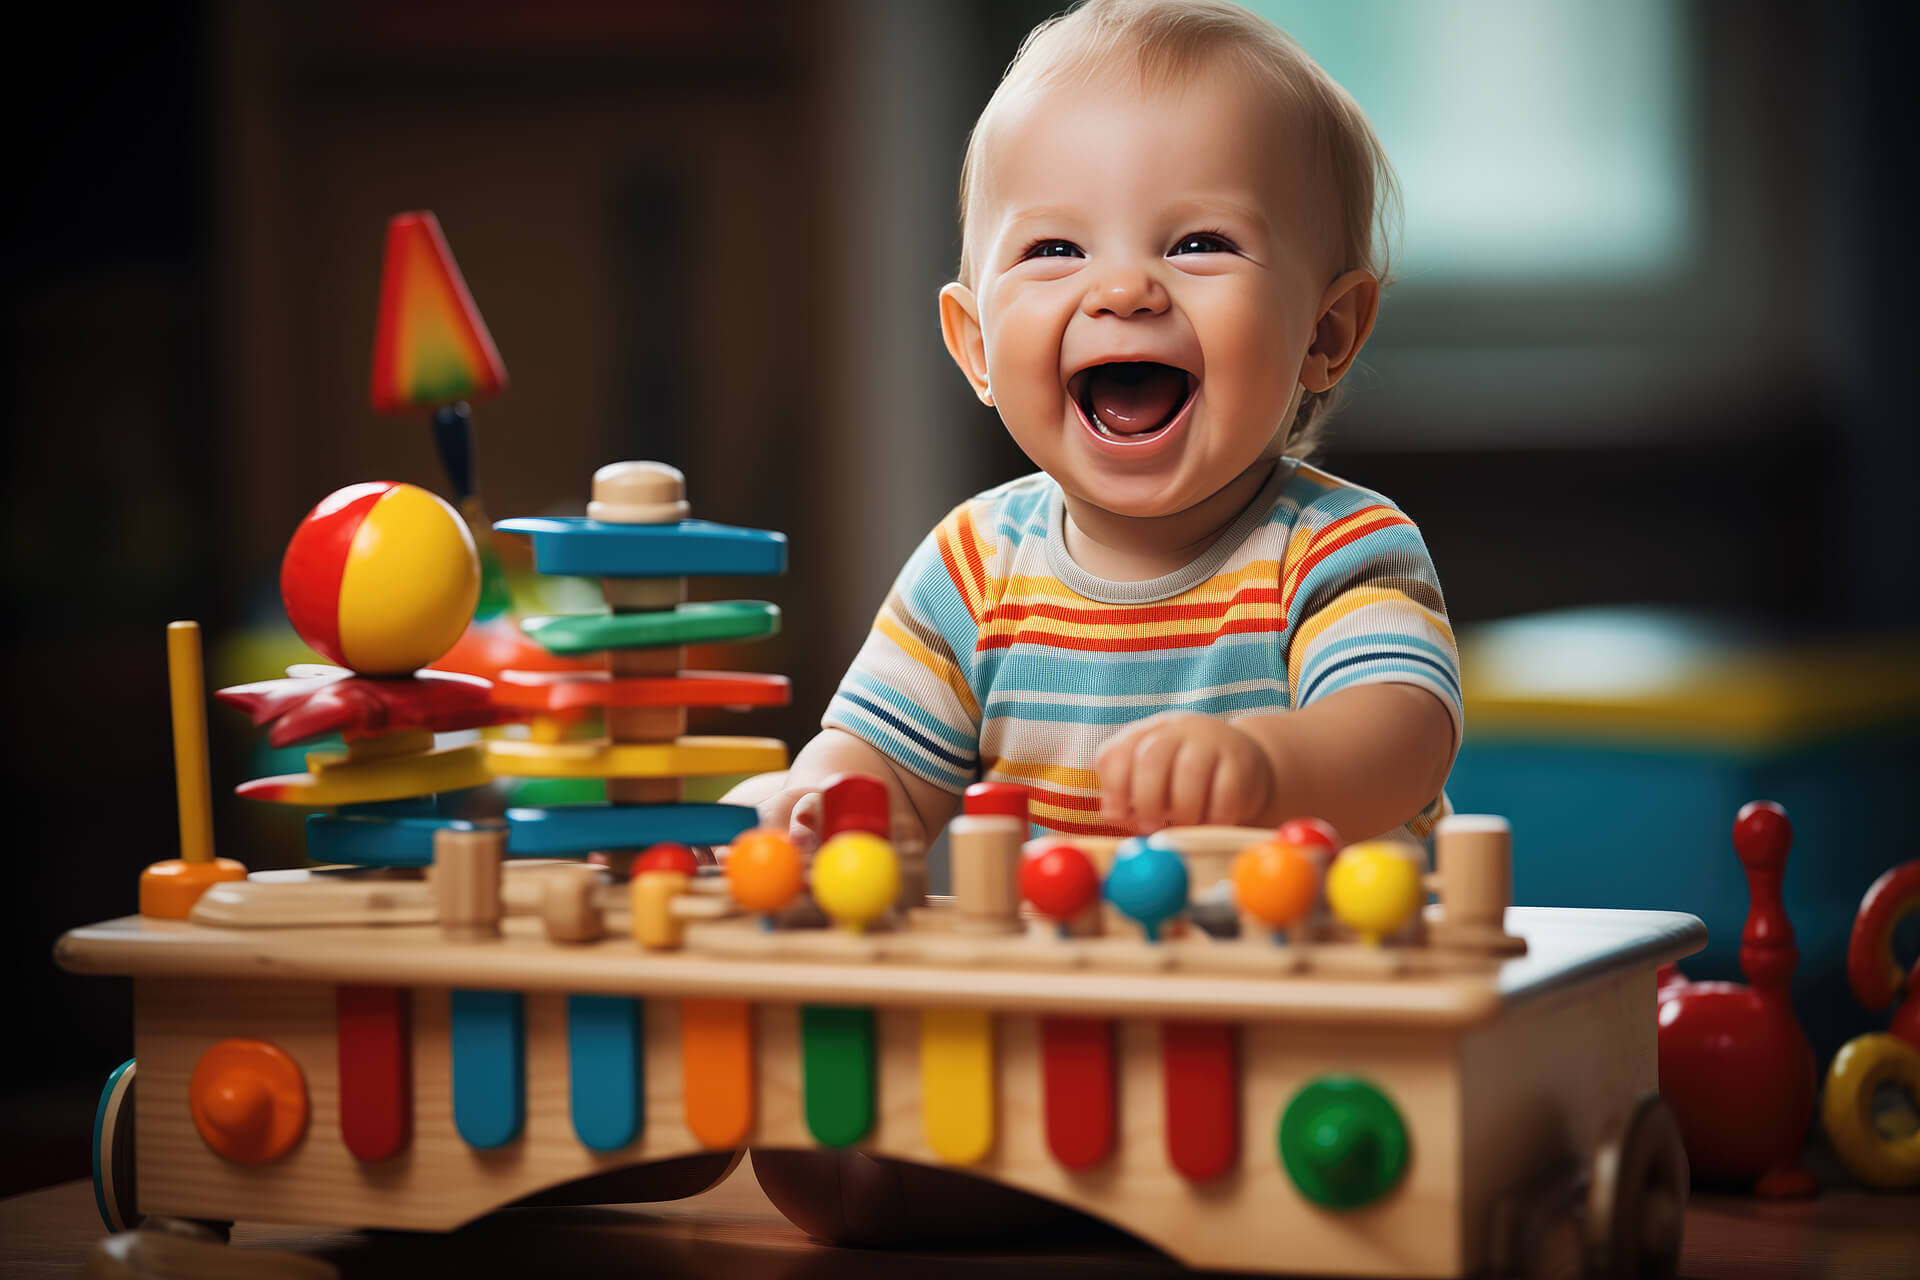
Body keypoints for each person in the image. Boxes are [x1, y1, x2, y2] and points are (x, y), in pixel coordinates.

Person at [742, 0, 1458, 856]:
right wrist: (821, 802)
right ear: (976, 346)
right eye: (1054, 250)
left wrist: (1266, 767)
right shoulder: (972, 573)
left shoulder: (1337, 549)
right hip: (1066, 986)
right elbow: (887, 773)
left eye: (1198, 243)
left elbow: (1402, 739)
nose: (1123, 289)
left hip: (1304, 979)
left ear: (1325, 332)